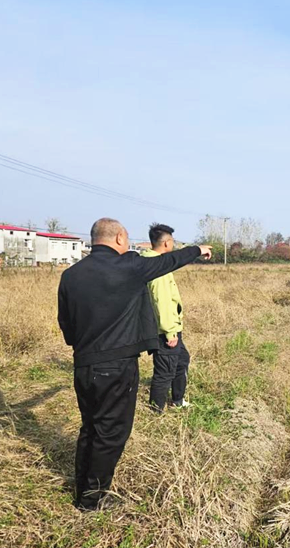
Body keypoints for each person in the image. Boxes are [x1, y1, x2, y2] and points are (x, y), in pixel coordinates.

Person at [57, 217, 211, 511]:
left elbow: (66, 324)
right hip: (116, 367)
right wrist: (197, 250)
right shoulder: (129, 266)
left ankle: (83, 488)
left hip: (84, 365)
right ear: (118, 238)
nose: (127, 244)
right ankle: (92, 500)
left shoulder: (70, 275)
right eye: (126, 239)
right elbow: (168, 261)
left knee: (91, 427)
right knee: (111, 434)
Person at [141, 223, 192, 412]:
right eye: (172, 241)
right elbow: (161, 301)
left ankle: (178, 400)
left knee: (182, 360)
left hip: (170, 327)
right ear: (166, 243)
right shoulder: (158, 268)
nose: (173, 245)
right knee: (165, 371)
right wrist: (170, 332)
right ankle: (156, 410)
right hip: (165, 330)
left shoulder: (154, 262)